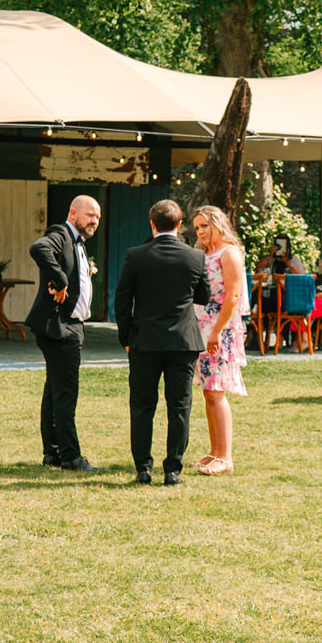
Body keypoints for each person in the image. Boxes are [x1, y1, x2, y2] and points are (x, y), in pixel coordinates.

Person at [114, 199, 209, 486]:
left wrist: (126, 337)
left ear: (152, 224)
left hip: (144, 341)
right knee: (179, 405)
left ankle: (143, 468)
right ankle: (172, 470)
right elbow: (203, 296)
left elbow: (122, 299)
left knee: (142, 405)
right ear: (180, 225)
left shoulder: (136, 255)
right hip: (183, 341)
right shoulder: (195, 257)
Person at [23, 195, 103, 471]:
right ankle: (71, 456)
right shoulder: (60, 233)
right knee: (66, 392)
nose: (94, 220)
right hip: (60, 326)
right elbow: (39, 248)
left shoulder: (77, 243)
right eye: (90, 214)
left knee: (54, 390)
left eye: (97, 217)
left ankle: (52, 453)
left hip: (68, 325)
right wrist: (60, 279)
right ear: (73, 213)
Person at [191, 205, 248, 476]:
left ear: (217, 224)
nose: (201, 232)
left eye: (204, 226)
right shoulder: (206, 253)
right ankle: (214, 452)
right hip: (201, 328)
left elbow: (233, 296)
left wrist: (216, 332)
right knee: (207, 391)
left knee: (216, 391)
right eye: (197, 228)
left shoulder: (230, 253)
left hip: (219, 330)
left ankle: (225, 457)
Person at [252, 233, 307, 340]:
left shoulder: (294, 259)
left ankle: (281, 337)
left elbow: (302, 276)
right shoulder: (271, 260)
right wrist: (270, 255)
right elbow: (258, 268)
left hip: (287, 296)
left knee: (283, 304)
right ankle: (254, 336)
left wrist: (288, 263)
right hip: (270, 294)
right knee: (257, 301)